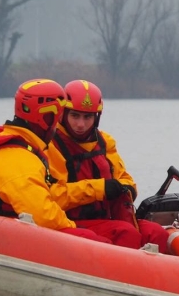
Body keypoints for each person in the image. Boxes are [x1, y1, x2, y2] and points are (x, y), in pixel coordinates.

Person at [0, 78, 110, 243]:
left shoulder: (8, 142)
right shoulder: (17, 157)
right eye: (57, 117)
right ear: (46, 118)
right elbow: (42, 214)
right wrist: (73, 226)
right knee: (91, 240)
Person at [46, 79, 170, 252]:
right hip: (72, 222)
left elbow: (126, 179)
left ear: (96, 117)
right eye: (75, 116)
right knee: (126, 233)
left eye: (88, 117)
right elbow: (53, 197)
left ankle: (162, 277)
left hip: (107, 218)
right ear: (63, 114)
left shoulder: (105, 142)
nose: (81, 124)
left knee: (157, 234)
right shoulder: (52, 145)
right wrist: (100, 189)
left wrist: (125, 189)